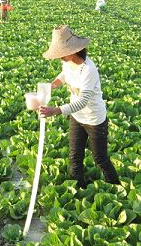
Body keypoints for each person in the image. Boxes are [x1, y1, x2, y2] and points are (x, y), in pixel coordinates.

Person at [39, 25, 120, 189]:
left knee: (100, 158)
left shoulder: (89, 69)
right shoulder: (68, 62)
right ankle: (77, 188)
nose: (60, 57)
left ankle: (115, 186)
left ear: (73, 50)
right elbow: (64, 75)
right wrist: (52, 85)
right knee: (75, 156)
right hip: (77, 117)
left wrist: (55, 111)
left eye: (62, 52)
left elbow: (82, 101)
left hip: (94, 119)